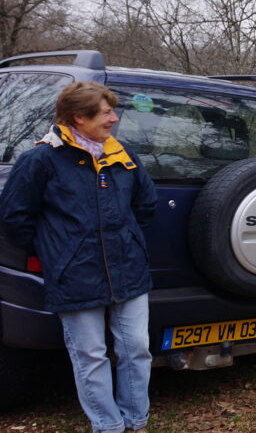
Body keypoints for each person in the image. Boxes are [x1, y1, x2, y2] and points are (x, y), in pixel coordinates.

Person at [0, 81, 156, 433]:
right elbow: (14, 218)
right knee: (90, 355)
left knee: (136, 348)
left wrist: (128, 239)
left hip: (128, 270)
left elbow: (145, 205)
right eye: (105, 113)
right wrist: (56, 251)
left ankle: (136, 421)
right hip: (75, 274)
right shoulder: (40, 160)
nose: (114, 119)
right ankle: (108, 426)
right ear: (78, 118)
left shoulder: (123, 154)